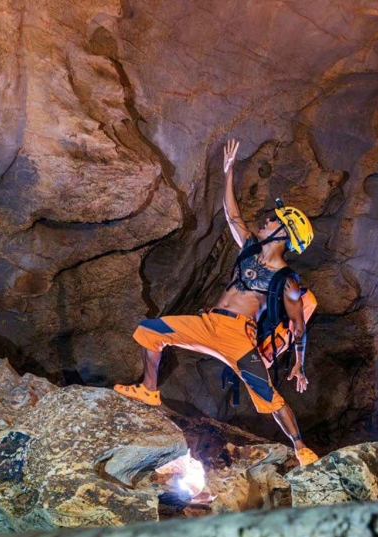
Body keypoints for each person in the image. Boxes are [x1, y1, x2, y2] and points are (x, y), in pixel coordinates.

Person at [114, 138, 320, 466]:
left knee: (269, 397)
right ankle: (149, 390)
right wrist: (228, 172)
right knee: (150, 330)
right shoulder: (249, 248)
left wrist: (299, 363)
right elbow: (231, 214)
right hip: (210, 323)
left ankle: (301, 448)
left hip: (240, 337)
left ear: (284, 233)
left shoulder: (287, 279)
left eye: (274, 220)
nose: (267, 220)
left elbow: (297, 323)